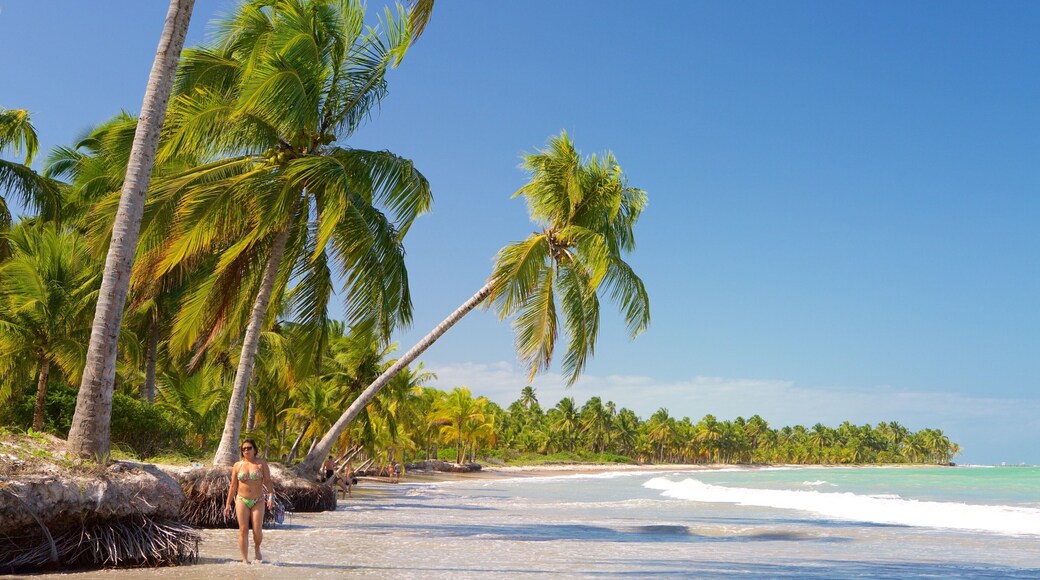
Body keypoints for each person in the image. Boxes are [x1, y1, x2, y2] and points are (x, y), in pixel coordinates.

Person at [224, 439, 274, 564]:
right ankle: (245, 560)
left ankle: (257, 547)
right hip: (242, 499)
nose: (246, 450)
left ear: (254, 449)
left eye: (249, 448)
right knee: (243, 530)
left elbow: (267, 481)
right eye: (244, 449)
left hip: (258, 500)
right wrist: (228, 504)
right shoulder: (237, 465)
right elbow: (233, 486)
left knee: (257, 531)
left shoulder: (261, 464)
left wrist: (271, 496)